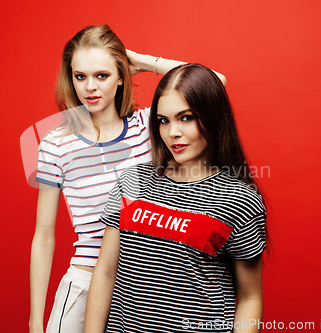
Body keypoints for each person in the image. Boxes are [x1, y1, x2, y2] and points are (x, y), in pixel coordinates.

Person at [29, 25, 226, 333]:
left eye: (102, 75)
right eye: (80, 76)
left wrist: (143, 61)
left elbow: (216, 83)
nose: (90, 87)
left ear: (121, 76)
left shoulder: (147, 127)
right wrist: (35, 321)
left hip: (144, 284)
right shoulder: (56, 144)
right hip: (86, 280)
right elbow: (44, 236)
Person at [84, 63, 266, 333]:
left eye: (186, 117)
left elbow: (250, 298)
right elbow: (105, 272)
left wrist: (147, 60)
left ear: (213, 116)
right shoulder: (132, 181)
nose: (172, 133)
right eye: (163, 120)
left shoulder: (240, 200)